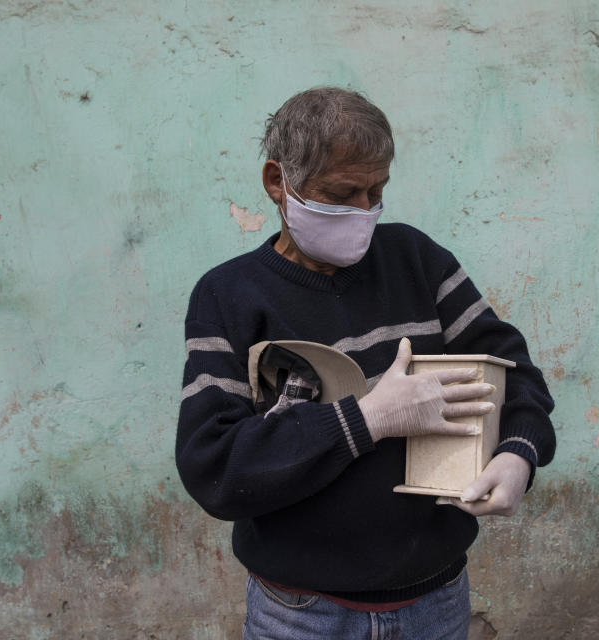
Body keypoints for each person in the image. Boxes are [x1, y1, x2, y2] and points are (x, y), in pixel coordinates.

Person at [176, 86, 555, 639]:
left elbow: (513, 370)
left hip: (437, 602)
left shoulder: (418, 261)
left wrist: (519, 453)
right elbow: (214, 469)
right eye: (341, 193)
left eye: (376, 191)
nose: (363, 211)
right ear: (278, 182)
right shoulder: (228, 297)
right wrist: (368, 419)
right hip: (301, 615)